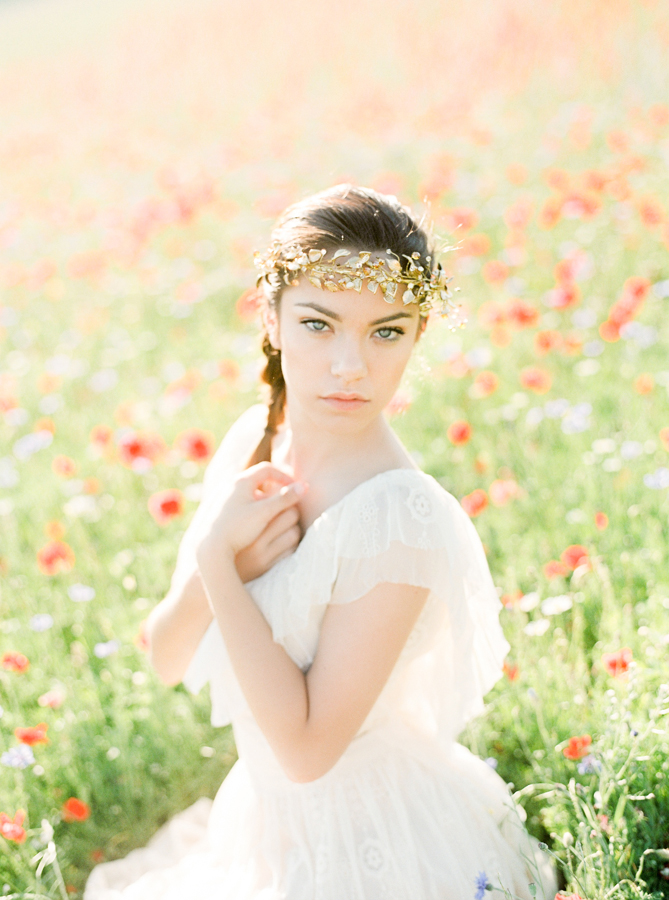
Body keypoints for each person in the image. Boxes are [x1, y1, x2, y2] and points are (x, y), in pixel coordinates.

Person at [84, 185, 559, 900]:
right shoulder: (256, 440)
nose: (350, 366)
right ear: (271, 318)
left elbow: (307, 752)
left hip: (373, 839)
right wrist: (217, 561)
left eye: (386, 332)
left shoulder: (398, 515)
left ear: (418, 334)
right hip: (265, 824)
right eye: (318, 324)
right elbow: (164, 654)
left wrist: (220, 565)